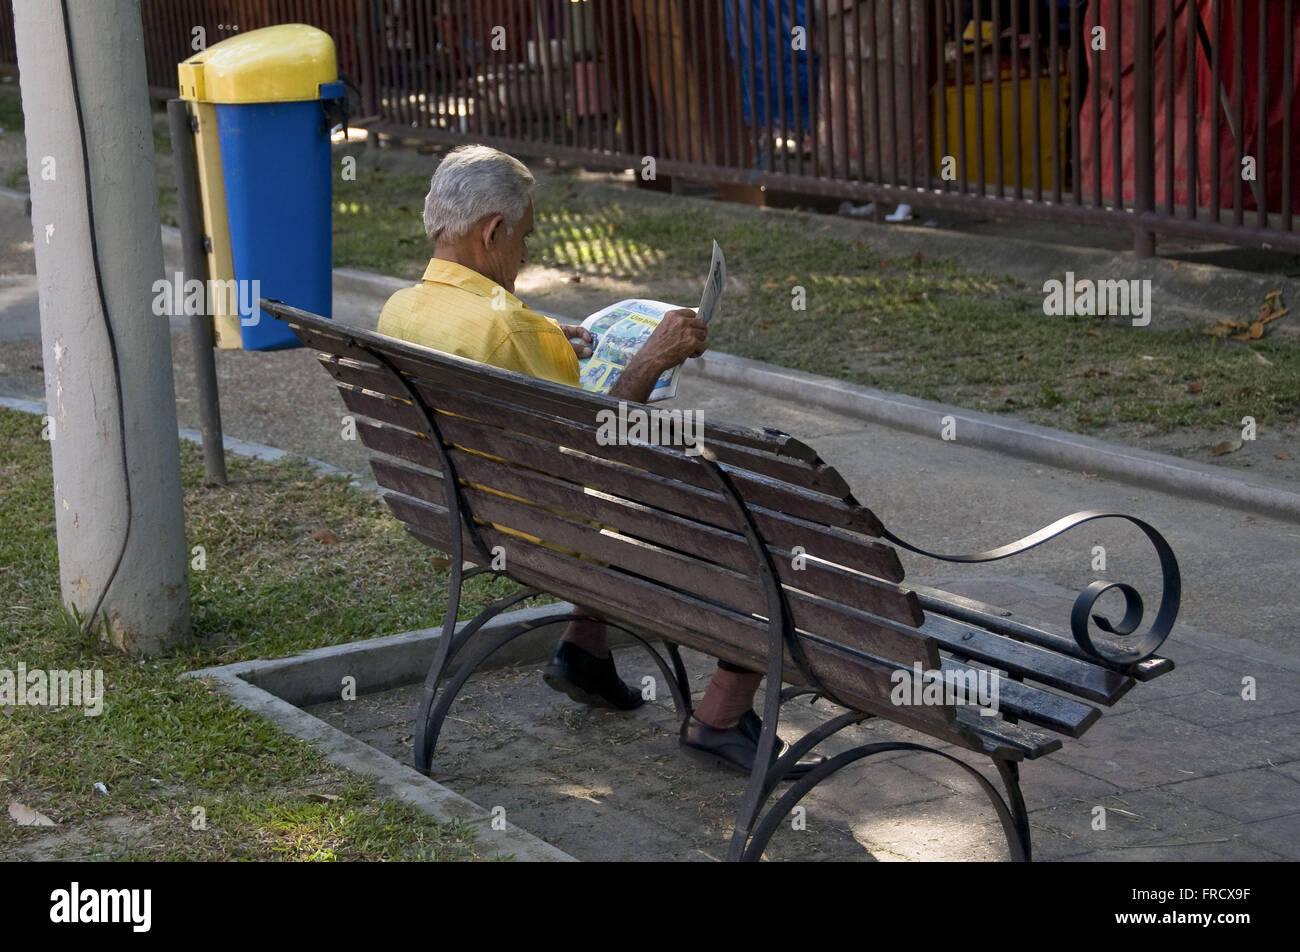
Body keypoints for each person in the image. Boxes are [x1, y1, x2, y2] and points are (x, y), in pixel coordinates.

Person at [378, 145, 821, 777]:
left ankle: (584, 649)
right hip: (553, 532)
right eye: (523, 237)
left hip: (459, 512)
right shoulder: (510, 329)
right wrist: (651, 359)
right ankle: (721, 717)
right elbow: (596, 447)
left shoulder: (401, 309)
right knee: (756, 513)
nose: (526, 253)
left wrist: (546, 340)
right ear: (493, 231)